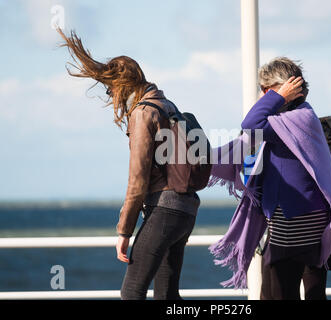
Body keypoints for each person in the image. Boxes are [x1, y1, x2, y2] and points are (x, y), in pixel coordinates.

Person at [57, 29, 201, 300]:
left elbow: (137, 181)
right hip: (187, 210)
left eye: (110, 88)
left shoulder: (143, 113)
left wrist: (124, 231)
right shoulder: (168, 105)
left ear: (122, 84)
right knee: (167, 296)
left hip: (164, 210)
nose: (110, 94)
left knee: (132, 291)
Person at [207, 57, 331, 298]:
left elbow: (250, 124)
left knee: (280, 293)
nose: (262, 95)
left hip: (295, 219)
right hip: (301, 216)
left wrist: (277, 97)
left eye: (264, 90)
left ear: (278, 90)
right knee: (274, 290)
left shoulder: (294, 120)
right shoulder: (297, 118)